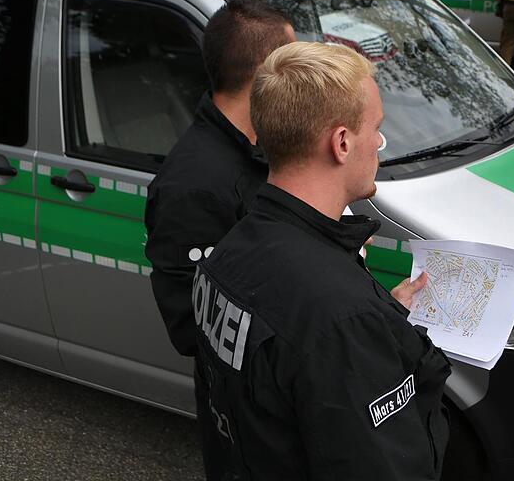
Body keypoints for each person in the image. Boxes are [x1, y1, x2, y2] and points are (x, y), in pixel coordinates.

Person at [193, 42, 451, 479]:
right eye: (376, 129)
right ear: (343, 142)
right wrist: (365, 330)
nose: (380, 144)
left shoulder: (227, 252)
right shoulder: (342, 319)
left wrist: (380, 321)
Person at [144, 0, 295, 479]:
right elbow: (194, 327)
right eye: (296, 63)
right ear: (268, 74)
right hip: (250, 428)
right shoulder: (194, 186)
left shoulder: (268, 145)